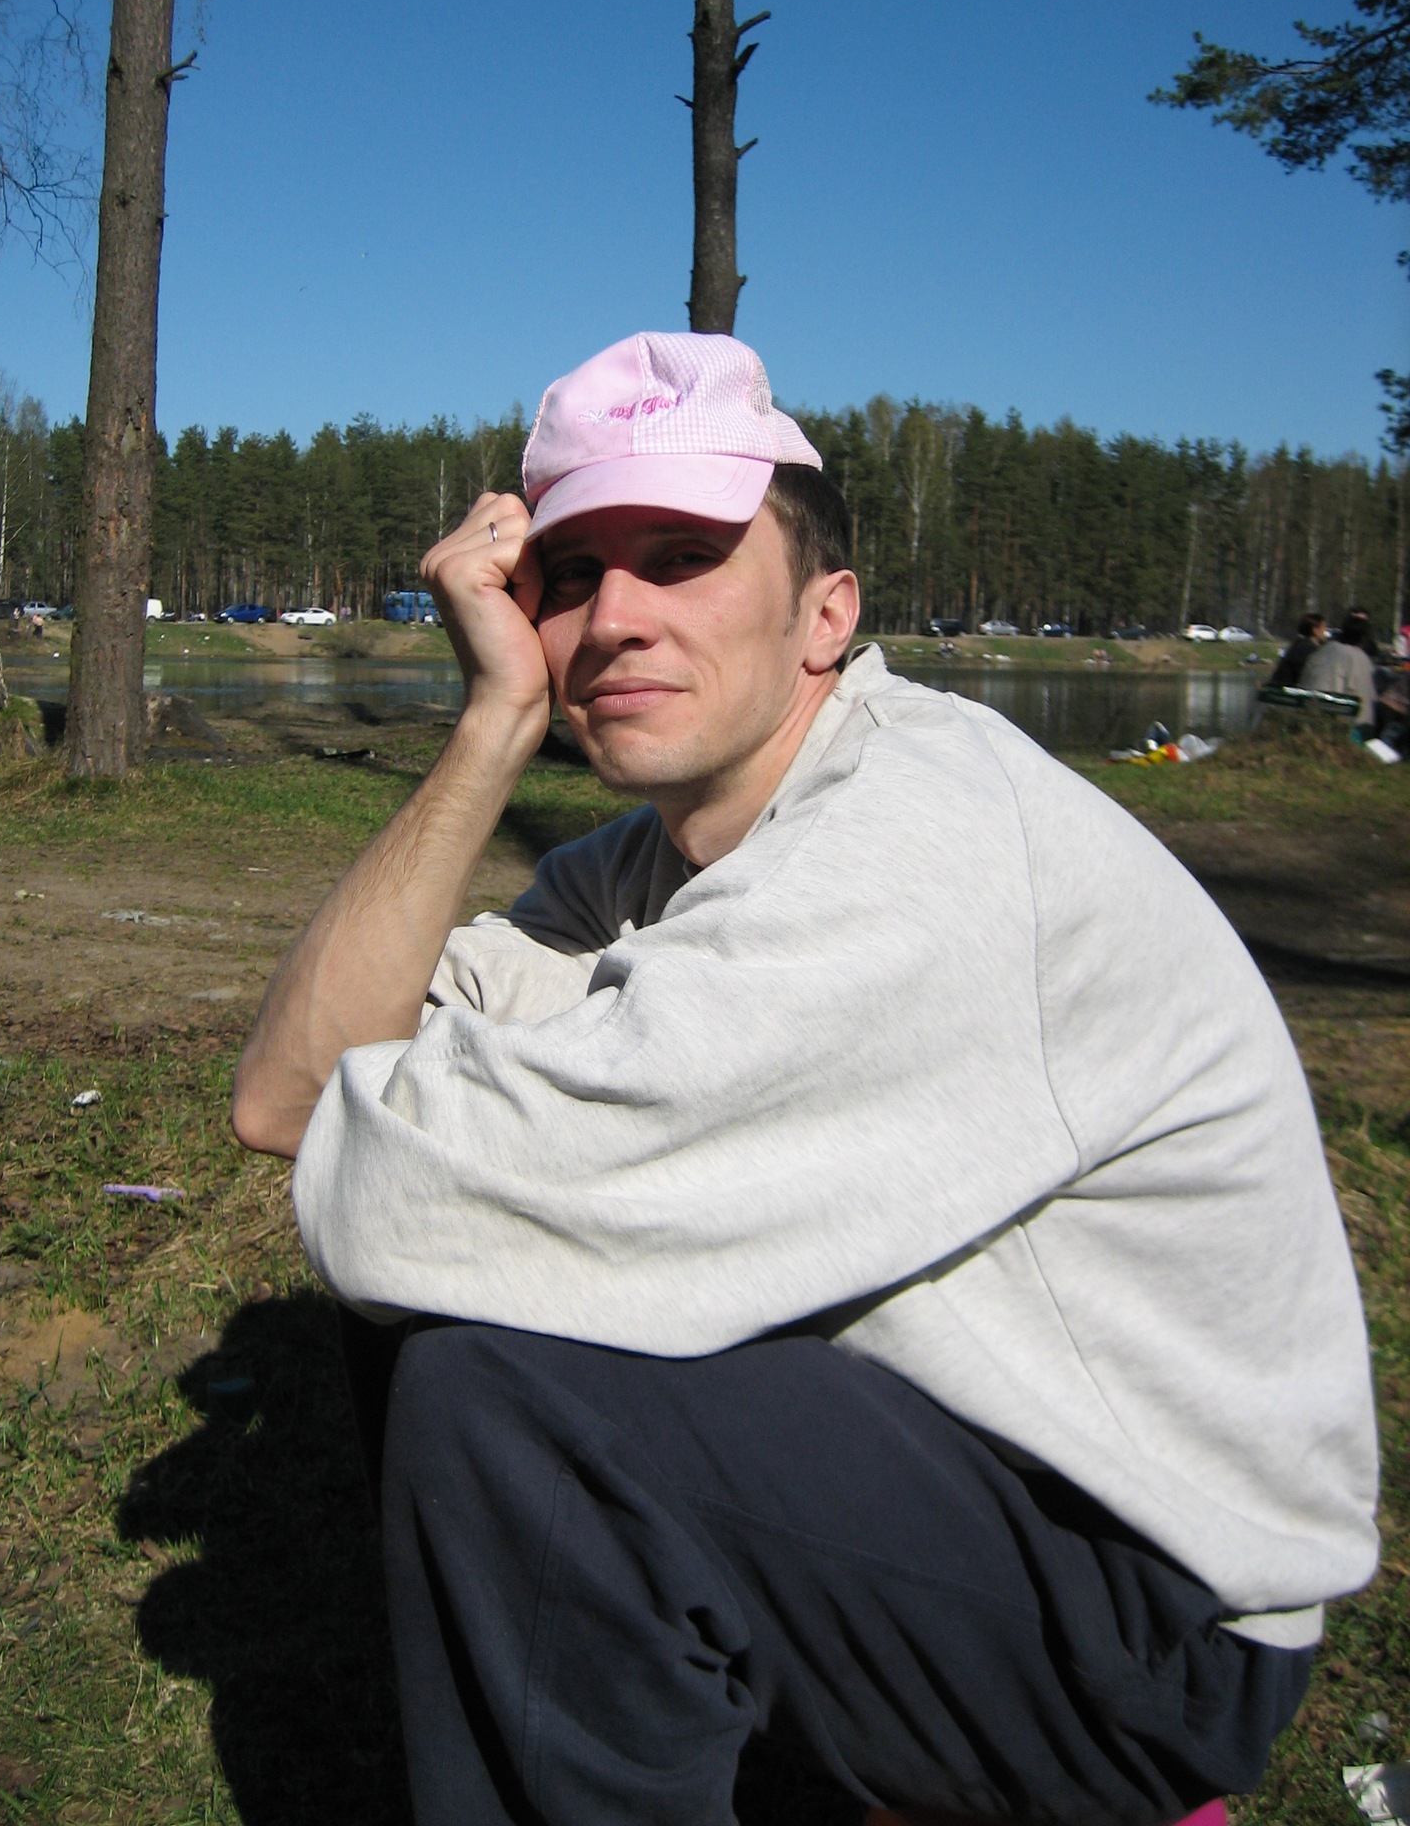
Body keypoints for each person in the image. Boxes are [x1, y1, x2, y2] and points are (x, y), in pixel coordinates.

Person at [232, 332, 1378, 1826]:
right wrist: (493, 721)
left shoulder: (918, 842)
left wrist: (417, 1152)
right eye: (570, 576)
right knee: (475, 1297)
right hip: (963, 1471)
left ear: (827, 613)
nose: (614, 618)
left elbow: (382, 1202)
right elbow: (291, 1096)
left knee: (501, 1399)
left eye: (683, 556)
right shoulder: (644, 864)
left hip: (1155, 1607)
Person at [1301, 609, 1380, 726]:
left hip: (1307, 712)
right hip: (1338, 720)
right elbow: (1366, 705)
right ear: (1364, 638)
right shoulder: (1360, 659)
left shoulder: (1323, 650)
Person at [1267, 610, 1325, 689]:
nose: (1324, 632)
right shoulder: (1306, 649)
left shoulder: (1298, 645)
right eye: (1323, 627)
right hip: (1287, 691)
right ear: (1315, 630)